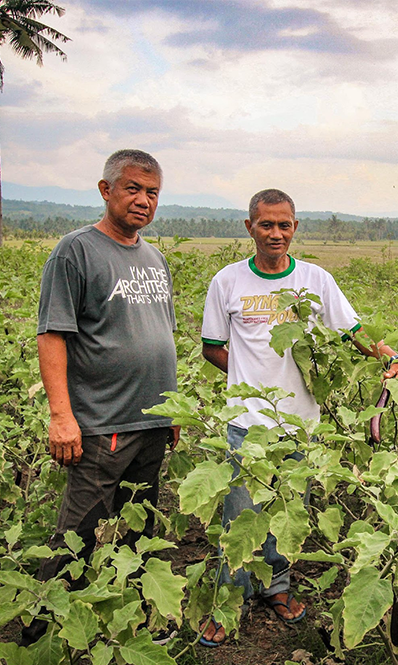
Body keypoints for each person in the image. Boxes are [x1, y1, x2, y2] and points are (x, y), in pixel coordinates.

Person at [199, 188, 398, 646]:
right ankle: (229, 601)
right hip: (247, 421)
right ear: (249, 227)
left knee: (290, 511)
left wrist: (390, 355)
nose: (276, 233)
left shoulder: (315, 279)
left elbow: (354, 331)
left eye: (285, 224)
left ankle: (276, 587)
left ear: (295, 227)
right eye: (267, 224)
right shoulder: (227, 282)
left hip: (301, 422)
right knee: (240, 515)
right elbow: (213, 346)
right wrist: (245, 378)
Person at [21, 149, 179, 646]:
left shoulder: (153, 257)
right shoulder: (76, 251)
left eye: (152, 192)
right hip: (102, 423)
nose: (143, 200)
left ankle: (125, 618)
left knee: (140, 529)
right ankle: (39, 631)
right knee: (80, 532)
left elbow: (161, 335)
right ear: (105, 190)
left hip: (151, 421)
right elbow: (53, 336)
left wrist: (172, 408)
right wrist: (61, 415)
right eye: (132, 188)